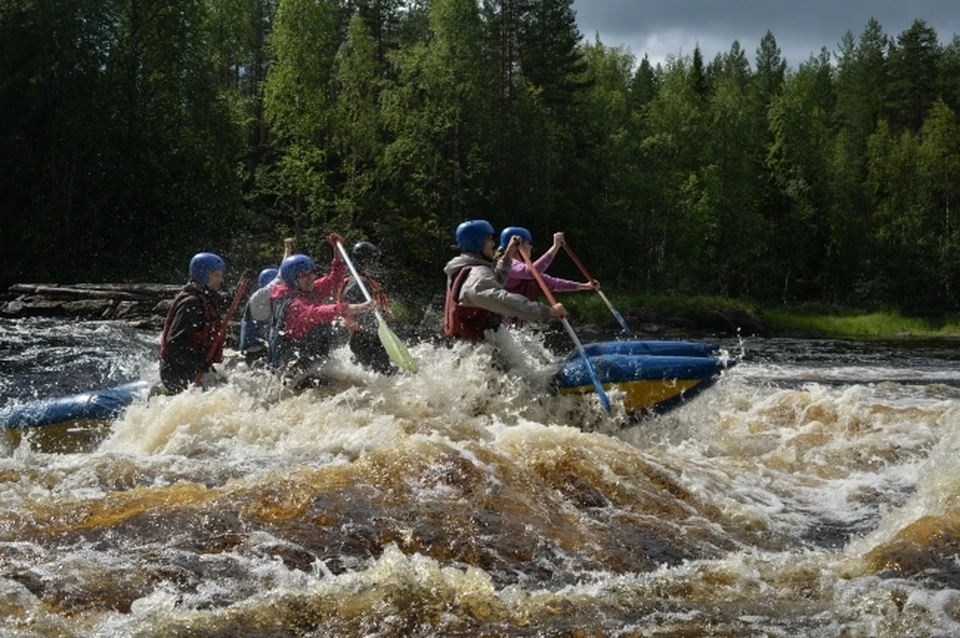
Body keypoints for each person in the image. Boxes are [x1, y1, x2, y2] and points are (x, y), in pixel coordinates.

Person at [268, 234, 373, 385]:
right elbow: (319, 312)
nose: (310, 278)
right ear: (293, 280)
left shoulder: (310, 289)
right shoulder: (294, 304)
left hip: (312, 358)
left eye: (311, 272)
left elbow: (335, 278)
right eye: (304, 275)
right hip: (294, 363)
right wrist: (357, 308)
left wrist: (336, 249)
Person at [443, 220, 567, 341]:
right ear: (477, 243)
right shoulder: (477, 273)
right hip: (478, 347)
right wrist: (546, 311)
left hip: (471, 344)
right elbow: (501, 299)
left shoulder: (465, 269)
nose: (492, 243)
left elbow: (494, 282)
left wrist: (508, 254)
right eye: (488, 239)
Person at [159, 252, 228, 394]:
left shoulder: (207, 297)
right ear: (206, 275)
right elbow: (174, 345)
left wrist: (244, 284)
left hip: (193, 366)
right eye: (217, 275)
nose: (221, 280)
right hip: (177, 371)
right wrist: (198, 361)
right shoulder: (191, 303)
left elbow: (229, 302)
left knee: (223, 386)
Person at [337, 241, 395, 374]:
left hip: (372, 337)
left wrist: (383, 313)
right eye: (371, 262)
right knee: (385, 375)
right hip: (364, 339)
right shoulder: (357, 283)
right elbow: (349, 309)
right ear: (363, 262)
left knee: (384, 374)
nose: (374, 265)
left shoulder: (364, 280)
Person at [496, 227, 599, 301]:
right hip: (502, 322)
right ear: (518, 247)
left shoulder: (521, 267)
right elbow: (532, 272)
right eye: (528, 243)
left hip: (516, 320)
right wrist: (555, 247)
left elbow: (553, 283)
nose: (531, 247)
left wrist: (586, 286)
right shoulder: (509, 265)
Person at [239, 238, 296, 364]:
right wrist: (287, 250)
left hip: (267, 350)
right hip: (256, 354)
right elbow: (281, 277)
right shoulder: (258, 298)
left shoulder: (272, 300)